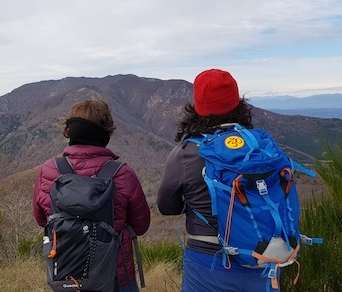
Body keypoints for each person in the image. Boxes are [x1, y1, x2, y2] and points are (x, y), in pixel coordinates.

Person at [156, 69, 274, 291]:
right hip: (262, 258)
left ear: (197, 108)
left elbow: (166, 207)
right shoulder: (261, 147)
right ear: (238, 103)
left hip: (207, 262)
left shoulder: (186, 153)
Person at [33, 98, 151, 292]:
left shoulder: (48, 170)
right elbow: (141, 225)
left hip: (66, 276)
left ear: (69, 131)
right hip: (115, 277)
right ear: (106, 133)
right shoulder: (122, 174)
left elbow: (41, 220)